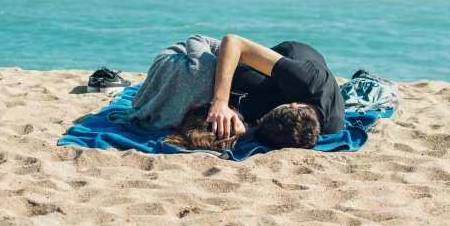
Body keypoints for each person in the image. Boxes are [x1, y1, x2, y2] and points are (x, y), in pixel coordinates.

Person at [127, 34, 345, 150]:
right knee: (230, 78)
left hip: (277, 89)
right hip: (289, 55)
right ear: (293, 104)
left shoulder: (328, 126)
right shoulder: (305, 78)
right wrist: (220, 102)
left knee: (244, 109)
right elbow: (233, 41)